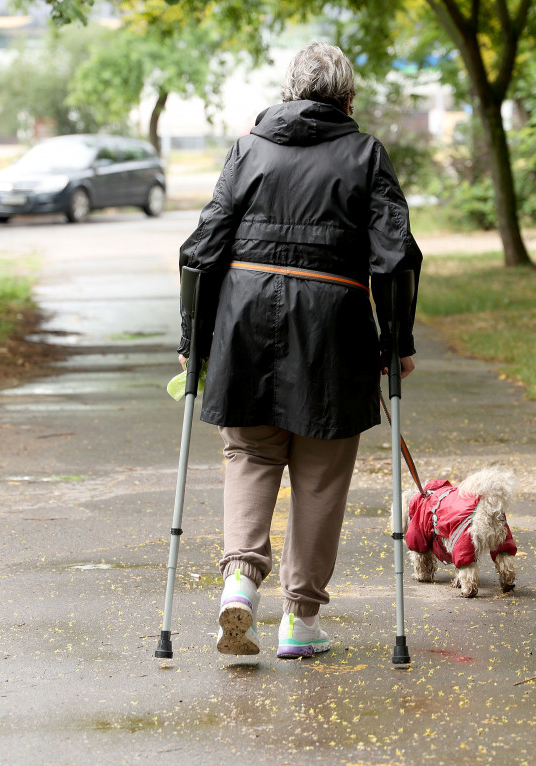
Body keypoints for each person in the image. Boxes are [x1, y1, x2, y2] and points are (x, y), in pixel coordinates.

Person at [177, 43, 421, 659]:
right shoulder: (366, 156)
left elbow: (201, 249)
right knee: (320, 473)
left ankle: (239, 580)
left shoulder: (248, 149)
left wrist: (193, 340)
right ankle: (300, 619)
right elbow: (394, 258)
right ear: (347, 98)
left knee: (251, 454)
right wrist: (397, 344)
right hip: (333, 329)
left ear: (289, 91)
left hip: (243, 321)